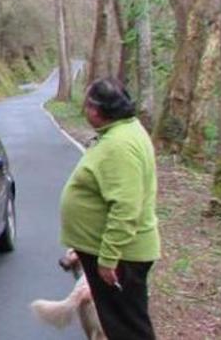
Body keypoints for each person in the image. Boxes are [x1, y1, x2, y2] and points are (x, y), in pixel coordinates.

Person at [59, 77, 161, 340]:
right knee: (122, 325)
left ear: (95, 109)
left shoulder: (120, 145)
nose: (84, 110)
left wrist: (108, 258)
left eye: (86, 104)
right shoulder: (124, 131)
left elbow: (127, 207)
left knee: (127, 329)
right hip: (118, 253)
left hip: (123, 256)